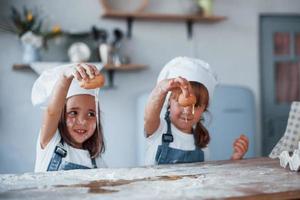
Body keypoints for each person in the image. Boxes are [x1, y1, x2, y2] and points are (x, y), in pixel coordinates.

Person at [144, 57, 249, 165]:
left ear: (204, 109)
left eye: (197, 105)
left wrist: (234, 159)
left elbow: (208, 176)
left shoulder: (201, 142)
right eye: (181, 103)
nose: (188, 111)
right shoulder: (159, 129)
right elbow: (149, 117)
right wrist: (161, 89)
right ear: (169, 102)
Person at [31, 63, 106, 172]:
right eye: (73, 112)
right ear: (60, 115)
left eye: (91, 114)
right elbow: (52, 112)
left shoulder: (97, 162)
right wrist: (66, 76)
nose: (82, 121)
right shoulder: (51, 142)